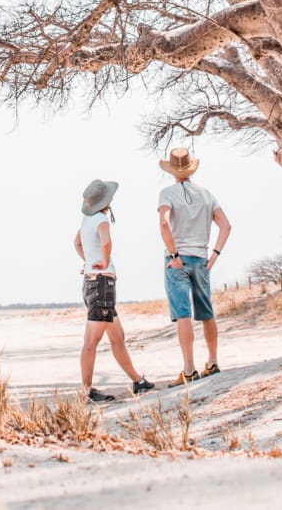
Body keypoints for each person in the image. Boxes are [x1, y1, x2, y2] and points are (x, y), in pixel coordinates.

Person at [75, 178, 156, 403]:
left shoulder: (85, 220)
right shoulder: (101, 219)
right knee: (91, 341)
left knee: (117, 337)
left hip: (93, 283)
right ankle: (86, 391)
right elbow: (106, 242)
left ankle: (138, 381)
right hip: (101, 284)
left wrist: (89, 261)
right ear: (106, 201)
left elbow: (77, 244)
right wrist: (103, 261)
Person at [156, 148, 231, 385]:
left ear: (172, 170)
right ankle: (212, 361)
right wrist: (215, 255)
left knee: (183, 314)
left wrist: (174, 254)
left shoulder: (167, 193)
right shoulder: (206, 194)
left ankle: (189, 368)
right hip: (202, 259)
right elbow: (226, 226)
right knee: (206, 312)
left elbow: (164, 224)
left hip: (178, 260)